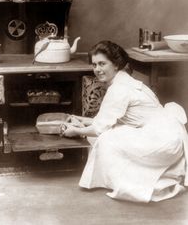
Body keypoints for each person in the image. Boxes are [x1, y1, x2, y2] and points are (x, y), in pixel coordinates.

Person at [62, 40, 188, 202]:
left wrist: (76, 131)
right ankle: (146, 176)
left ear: (116, 64)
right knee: (111, 131)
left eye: (102, 64)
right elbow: (108, 119)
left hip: (161, 142)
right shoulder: (127, 81)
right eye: (94, 65)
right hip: (170, 138)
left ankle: (138, 184)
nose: (97, 70)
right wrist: (82, 120)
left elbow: (99, 128)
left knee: (106, 138)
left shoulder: (118, 89)